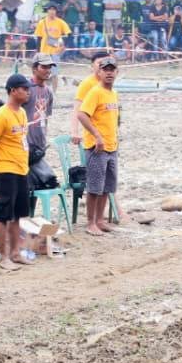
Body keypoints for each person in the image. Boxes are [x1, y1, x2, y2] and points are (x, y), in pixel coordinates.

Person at [0, 73, 33, 269]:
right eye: (25, 89)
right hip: (4, 170)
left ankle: (15, 252)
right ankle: (3, 256)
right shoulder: (1, 115)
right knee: (2, 215)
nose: (28, 92)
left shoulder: (21, 113)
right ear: (13, 90)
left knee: (18, 214)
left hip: (21, 169)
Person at [76, 56, 122, 235]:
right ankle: (90, 222)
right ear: (99, 72)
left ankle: (100, 219)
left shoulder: (113, 93)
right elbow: (82, 115)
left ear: (116, 72)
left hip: (112, 146)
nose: (109, 73)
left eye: (112, 69)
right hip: (97, 147)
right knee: (94, 187)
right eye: (106, 69)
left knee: (107, 186)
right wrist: (97, 135)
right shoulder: (95, 92)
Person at [34, 4, 71, 82]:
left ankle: (54, 93)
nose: (52, 11)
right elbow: (39, 38)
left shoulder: (61, 22)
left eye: (54, 9)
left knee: (54, 73)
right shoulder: (42, 22)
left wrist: (64, 46)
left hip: (55, 52)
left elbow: (69, 34)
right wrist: (38, 51)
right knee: (42, 73)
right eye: (50, 9)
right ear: (47, 11)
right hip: (44, 51)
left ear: (56, 11)